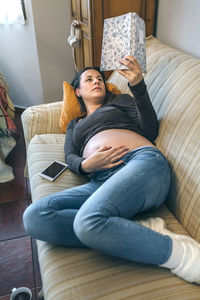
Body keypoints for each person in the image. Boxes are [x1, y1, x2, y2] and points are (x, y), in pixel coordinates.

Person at [23, 56, 200, 284]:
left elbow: (150, 129)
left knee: (87, 223)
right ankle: (131, 228)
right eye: (89, 79)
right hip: (101, 182)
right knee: (35, 217)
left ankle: (184, 255)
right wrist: (87, 165)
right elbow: (70, 156)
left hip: (141, 163)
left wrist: (138, 85)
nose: (97, 81)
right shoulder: (74, 125)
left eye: (100, 78)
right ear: (78, 91)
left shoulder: (121, 101)